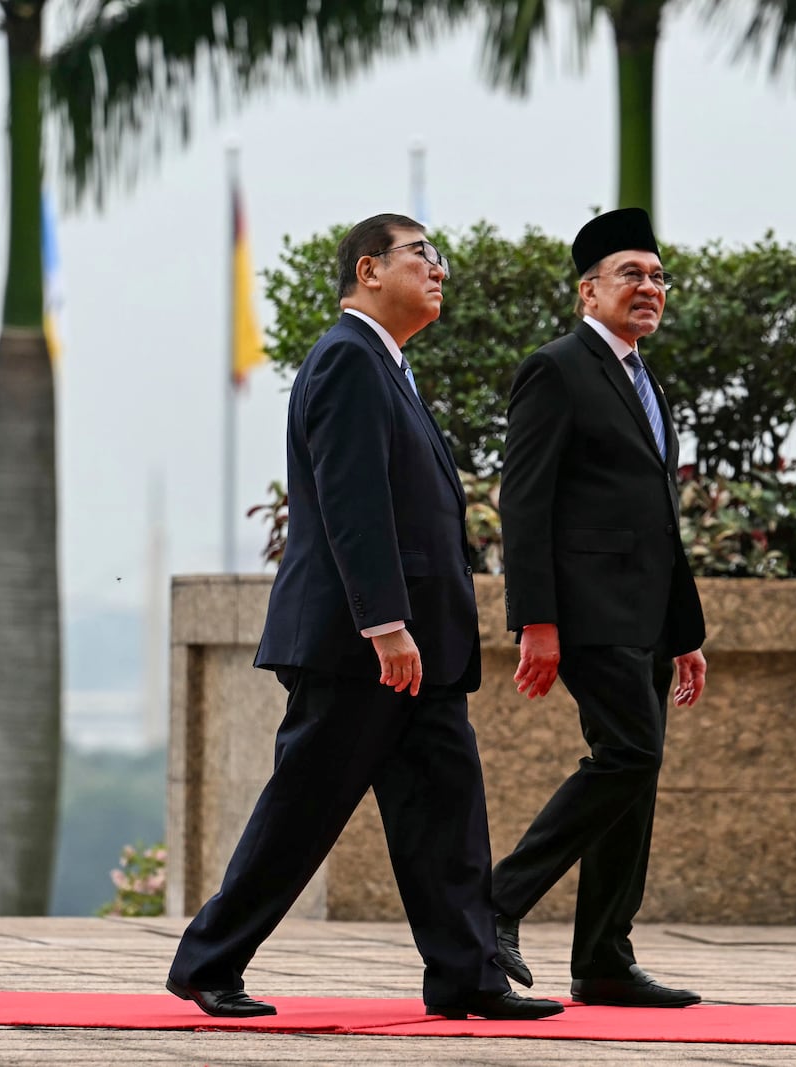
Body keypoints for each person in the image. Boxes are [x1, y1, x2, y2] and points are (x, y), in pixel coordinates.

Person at [166, 213, 562, 1023]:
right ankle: (209, 962)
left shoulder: (389, 366)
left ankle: (468, 976)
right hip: (362, 646)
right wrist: (385, 622)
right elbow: (353, 503)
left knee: (447, 813)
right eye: (423, 254)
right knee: (303, 809)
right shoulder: (348, 357)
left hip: (421, 648)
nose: (440, 269)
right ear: (369, 270)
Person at [490, 207, 708, 1008]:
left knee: (637, 777)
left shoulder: (646, 380)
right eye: (631, 275)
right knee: (629, 755)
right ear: (589, 290)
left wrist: (685, 632)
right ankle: (497, 900)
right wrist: (536, 621)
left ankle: (605, 959)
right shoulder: (556, 369)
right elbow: (525, 501)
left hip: (647, 618)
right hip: (586, 612)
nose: (648, 288)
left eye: (656, 276)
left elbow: (658, 515)